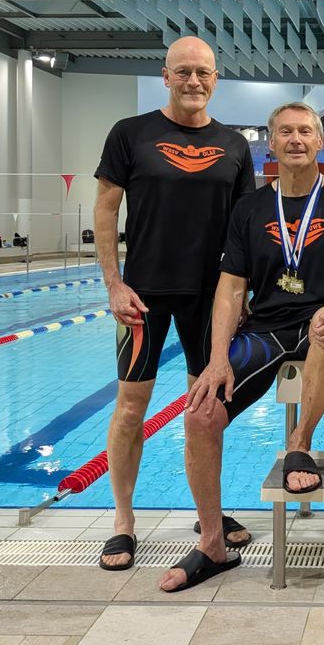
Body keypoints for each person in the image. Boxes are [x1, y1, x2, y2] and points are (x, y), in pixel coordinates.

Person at [158, 102, 324, 591]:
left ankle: (299, 444)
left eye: (306, 131)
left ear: (321, 142)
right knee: (199, 414)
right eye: (286, 131)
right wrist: (217, 360)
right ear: (272, 141)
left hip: (322, 326)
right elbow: (230, 289)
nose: (296, 139)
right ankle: (213, 544)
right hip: (265, 330)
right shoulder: (252, 208)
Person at [93, 36, 254, 572]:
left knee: (204, 413)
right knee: (131, 409)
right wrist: (114, 283)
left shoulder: (234, 145)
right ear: (166, 76)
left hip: (210, 301)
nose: (193, 81)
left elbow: (246, 227)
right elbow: (105, 209)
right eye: (182, 71)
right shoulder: (130, 134)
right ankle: (122, 520)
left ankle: (208, 515)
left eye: (202, 72)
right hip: (142, 297)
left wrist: (245, 295)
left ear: (215, 78)